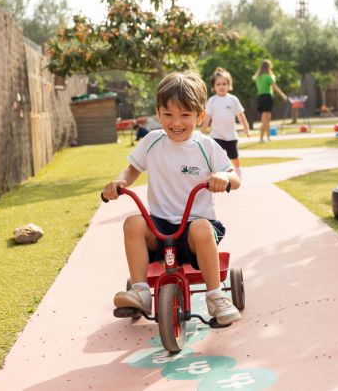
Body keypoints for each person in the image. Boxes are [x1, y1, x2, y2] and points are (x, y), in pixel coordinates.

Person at [102, 71, 242, 326]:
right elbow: (133, 168)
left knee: (200, 227)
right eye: (168, 115)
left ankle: (215, 296)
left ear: (200, 116)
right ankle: (141, 291)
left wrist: (222, 176)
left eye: (185, 115)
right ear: (158, 114)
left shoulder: (207, 146)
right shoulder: (152, 141)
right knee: (133, 222)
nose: (176, 122)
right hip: (160, 227)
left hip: (195, 232)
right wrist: (121, 181)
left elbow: (235, 178)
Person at [202, 67, 251, 177]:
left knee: (234, 156)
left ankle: (238, 170)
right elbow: (207, 118)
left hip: (231, 136)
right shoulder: (212, 101)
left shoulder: (233, 99)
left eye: (224, 84)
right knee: (215, 156)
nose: (221, 86)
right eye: (218, 84)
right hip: (216, 135)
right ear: (214, 87)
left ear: (229, 85)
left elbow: (241, 116)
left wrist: (246, 129)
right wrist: (202, 132)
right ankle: (215, 175)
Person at [253, 59, 287, 143]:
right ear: (268, 67)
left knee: (267, 118)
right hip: (266, 97)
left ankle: (268, 137)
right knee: (265, 119)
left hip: (261, 98)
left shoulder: (258, 77)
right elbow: (275, 87)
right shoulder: (268, 77)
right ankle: (261, 138)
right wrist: (282, 95)